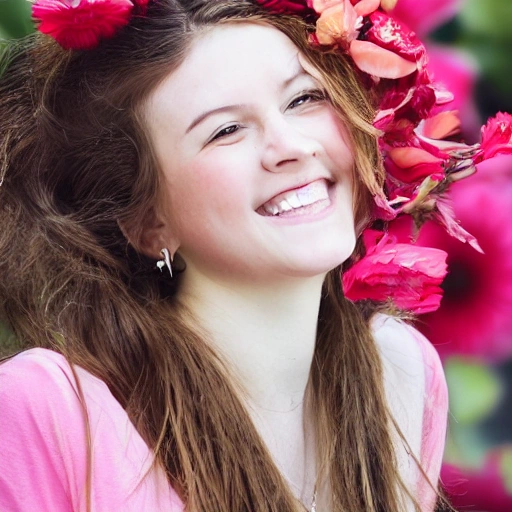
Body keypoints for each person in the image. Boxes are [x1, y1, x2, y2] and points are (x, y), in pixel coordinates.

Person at [1, 0, 486, 510]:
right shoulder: (51, 412)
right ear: (147, 223)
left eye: (303, 99)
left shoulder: (402, 374)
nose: (291, 145)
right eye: (226, 130)